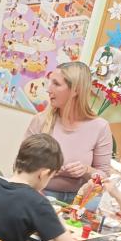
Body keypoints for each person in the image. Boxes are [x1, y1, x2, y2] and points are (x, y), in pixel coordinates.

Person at [24, 62, 112, 202]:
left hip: (80, 200)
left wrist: (86, 170)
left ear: (75, 90)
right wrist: (47, 172)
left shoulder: (100, 127)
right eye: (50, 82)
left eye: (56, 84)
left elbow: (104, 176)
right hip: (41, 194)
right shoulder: (40, 120)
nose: (48, 89)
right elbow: (21, 166)